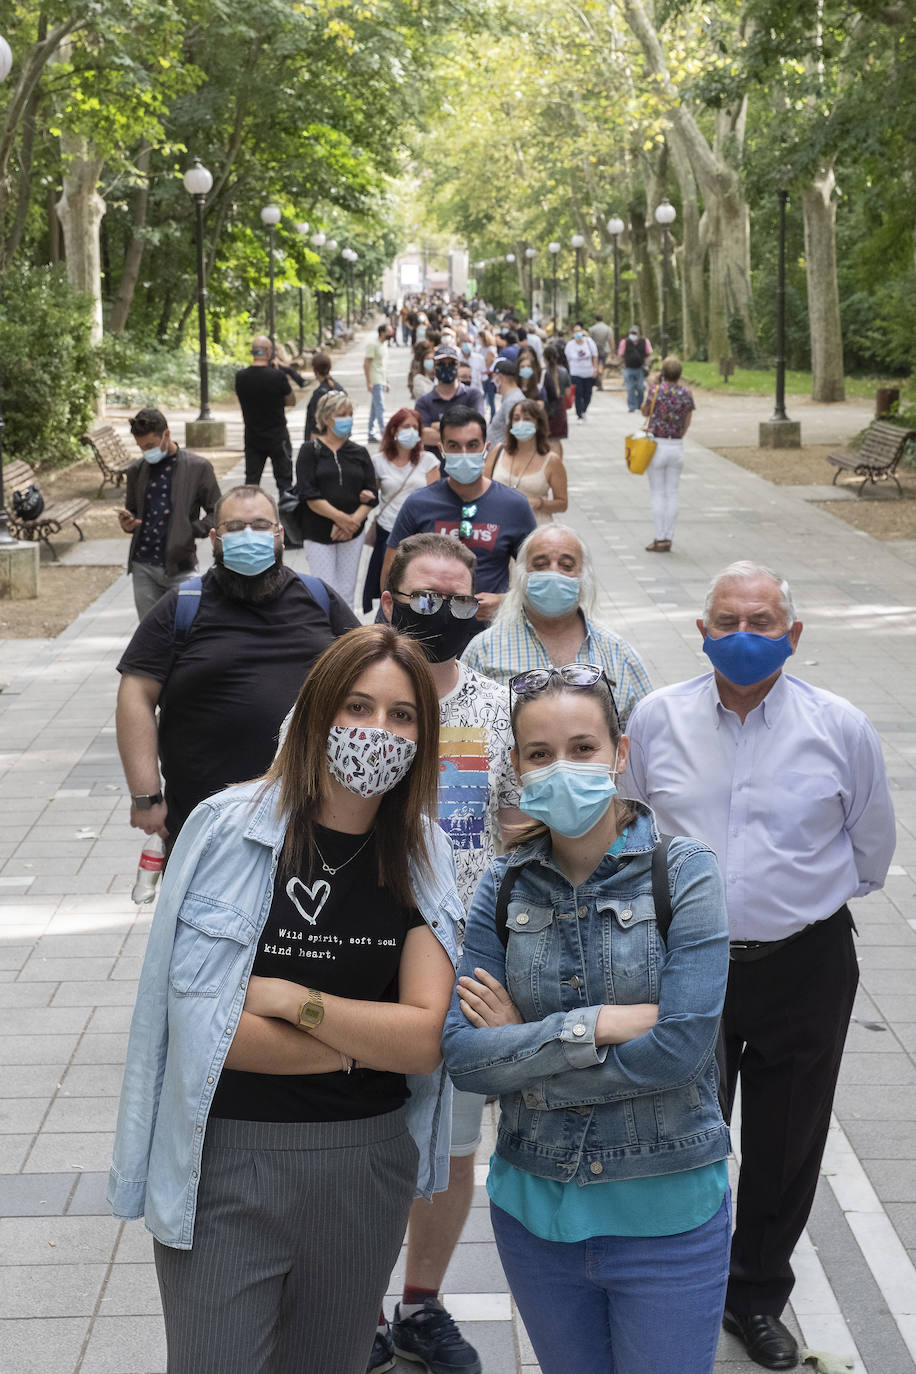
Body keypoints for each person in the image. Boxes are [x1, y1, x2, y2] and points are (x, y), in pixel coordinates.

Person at [109, 625, 464, 1374]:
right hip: (228, 1162)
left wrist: (296, 1000)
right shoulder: (227, 830)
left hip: (366, 1167)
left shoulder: (423, 850)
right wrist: (360, 1046)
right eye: (357, 707)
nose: (378, 732)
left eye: (402, 716)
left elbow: (425, 1039)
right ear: (315, 713)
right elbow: (216, 1036)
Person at [624, 561, 896, 1372]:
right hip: (685, 961)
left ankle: (755, 1297)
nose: (746, 637)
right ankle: (676, 1282)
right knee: (681, 1129)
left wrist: (789, 903)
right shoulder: (655, 718)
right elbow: (632, 827)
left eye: (764, 622)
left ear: (794, 635)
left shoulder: (841, 726)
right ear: (702, 630)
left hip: (802, 964)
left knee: (785, 1141)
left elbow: (871, 850)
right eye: (729, 622)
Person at [441, 664, 732, 1374]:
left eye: (582, 748)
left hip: (668, 1213)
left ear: (620, 753)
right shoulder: (502, 887)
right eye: (540, 755)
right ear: (516, 766)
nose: (561, 767)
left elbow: (680, 1052)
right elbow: (463, 1056)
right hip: (535, 1214)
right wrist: (597, 1025)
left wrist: (527, 1059)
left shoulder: (685, 873)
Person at [373, 532, 524, 1374]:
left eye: (462, 597)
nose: (444, 610)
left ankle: (420, 1305)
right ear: (390, 596)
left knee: (451, 1145)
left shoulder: (500, 707)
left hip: (465, 966)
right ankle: (354, 1307)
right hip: (358, 958)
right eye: (426, 594)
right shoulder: (346, 693)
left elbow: (520, 826)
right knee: (359, 1143)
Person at [116, 484, 358, 846]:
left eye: (261, 526)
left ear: (279, 534)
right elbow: (135, 695)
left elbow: (370, 677)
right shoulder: (181, 607)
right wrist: (145, 796)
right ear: (214, 538)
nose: (249, 536)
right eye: (234, 528)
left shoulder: (319, 599)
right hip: (208, 823)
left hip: (313, 815)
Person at [462, 524, 651, 726]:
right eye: (541, 564)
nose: (553, 573)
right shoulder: (483, 651)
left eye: (567, 566)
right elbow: (462, 730)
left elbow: (648, 735)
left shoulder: (617, 653)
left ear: (584, 578)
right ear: (521, 576)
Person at [381, 406, 537, 634]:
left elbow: (536, 575)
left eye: (472, 445)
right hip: (428, 634)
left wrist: (505, 601)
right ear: (442, 449)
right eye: (454, 446)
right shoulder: (418, 504)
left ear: (486, 448)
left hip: (490, 634)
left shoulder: (514, 506)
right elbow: (389, 574)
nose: (464, 453)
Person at [119, 408, 221, 620]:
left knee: (187, 629)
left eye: (150, 446)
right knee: (150, 635)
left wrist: (190, 529)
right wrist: (128, 523)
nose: (146, 452)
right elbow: (133, 511)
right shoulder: (136, 470)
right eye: (141, 448)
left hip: (181, 564)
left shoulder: (198, 467)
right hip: (143, 565)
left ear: (167, 434)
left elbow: (218, 512)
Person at [294, 391, 378, 607]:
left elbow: (371, 494)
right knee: (325, 591)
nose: (347, 419)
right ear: (326, 418)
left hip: (353, 533)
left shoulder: (359, 452)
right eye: (342, 414)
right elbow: (308, 494)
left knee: (347, 594)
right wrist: (343, 519)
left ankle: (348, 639)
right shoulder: (309, 450)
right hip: (318, 532)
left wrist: (353, 522)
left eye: (350, 414)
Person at [361, 408, 440, 613]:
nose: (411, 431)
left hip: (420, 536)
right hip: (388, 532)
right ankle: (390, 616)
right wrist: (364, 496)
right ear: (394, 430)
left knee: (420, 584)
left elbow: (435, 498)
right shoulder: (378, 461)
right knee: (389, 581)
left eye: (416, 427)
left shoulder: (428, 460)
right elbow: (371, 492)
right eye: (407, 427)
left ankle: (423, 618)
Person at [641, 356, 695, 553]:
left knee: (657, 493)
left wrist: (654, 386)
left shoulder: (656, 391)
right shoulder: (686, 393)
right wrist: (680, 434)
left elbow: (644, 412)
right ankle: (669, 536)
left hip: (657, 445)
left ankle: (659, 536)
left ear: (663, 372)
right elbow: (688, 419)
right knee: (672, 493)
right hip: (676, 444)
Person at [485, 398, 567, 524]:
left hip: (536, 527)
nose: (521, 423)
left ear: (538, 424)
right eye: (516, 418)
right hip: (499, 525)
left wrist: (539, 503)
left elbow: (562, 504)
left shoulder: (552, 460)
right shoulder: (498, 452)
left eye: (527, 419)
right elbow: (483, 489)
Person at [234, 336, 296, 495]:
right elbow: (291, 401)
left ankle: (249, 516)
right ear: (268, 352)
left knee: (252, 482)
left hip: (253, 436)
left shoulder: (240, 377)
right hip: (278, 436)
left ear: (253, 352)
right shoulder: (278, 376)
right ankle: (286, 516)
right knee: (284, 483)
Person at [415, 344, 485, 452]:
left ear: (458, 367)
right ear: (434, 368)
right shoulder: (423, 401)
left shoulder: (473, 395)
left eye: (452, 363)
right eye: (441, 364)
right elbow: (424, 436)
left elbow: (477, 432)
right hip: (435, 465)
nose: (447, 367)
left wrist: (439, 426)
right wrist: (462, 430)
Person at [304, 351, 344, 443]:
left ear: (315, 371)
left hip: (322, 442)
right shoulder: (339, 389)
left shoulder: (318, 394)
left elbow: (314, 425)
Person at [564, 322, 599, 422]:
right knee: (578, 394)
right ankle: (579, 414)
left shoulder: (589, 342)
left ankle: (584, 410)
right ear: (572, 333)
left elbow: (595, 356)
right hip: (575, 373)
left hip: (588, 372)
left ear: (582, 332)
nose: (577, 333)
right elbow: (567, 359)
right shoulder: (570, 345)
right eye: (575, 332)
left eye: (579, 331)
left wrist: (595, 369)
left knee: (588, 394)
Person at [487, 357, 525, 448]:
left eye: (493, 377)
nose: (493, 381)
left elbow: (514, 435)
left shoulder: (512, 401)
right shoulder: (510, 398)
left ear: (500, 377)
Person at [364, 323, 390, 442]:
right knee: (380, 407)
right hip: (375, 380)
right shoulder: (372, 344)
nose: (391, 334)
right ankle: (384, 433)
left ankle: (370, 434)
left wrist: (387, 381)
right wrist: (368, 382)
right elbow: (366, 364)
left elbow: (384, 364)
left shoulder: (384, 345)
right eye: (389, 331)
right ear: (382, 332)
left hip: (382, 379)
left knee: (374, 409)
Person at [618, 326, 652, 412]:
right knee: (630, 387)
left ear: (638, 333)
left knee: (641, 388)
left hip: (640, 368)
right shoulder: (624, 342)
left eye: (635, 333)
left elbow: (649, 353)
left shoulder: (645, 341)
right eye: (632, 333)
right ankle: (632, 406)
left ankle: (639, 404)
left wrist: (646, 363)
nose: (633, 335)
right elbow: (621, 354)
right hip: (628, 368)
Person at [543, 343, 572, 443]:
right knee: (557, 441)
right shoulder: (564, 371)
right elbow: (568, 393)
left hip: (547, 408)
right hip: (560, 408)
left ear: (544, 357)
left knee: (547, 440)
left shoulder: (543, 373)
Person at [589, 314, 613, 389]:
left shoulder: (592, 329)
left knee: (596, 363)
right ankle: (600, 375)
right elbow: (611, 340)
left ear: (596, 320)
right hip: (605, 349)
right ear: (602, 319)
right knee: (602, 364)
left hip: (594, 349)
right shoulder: (608, 328)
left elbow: (589, 340)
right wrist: (613, 351)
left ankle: (597, 377)